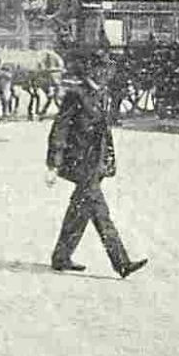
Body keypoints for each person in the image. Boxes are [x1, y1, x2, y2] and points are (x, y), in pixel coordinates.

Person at [45, 55, 147, 279]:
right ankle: (121, 262)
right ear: (93, 70)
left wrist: (108, 160)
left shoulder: (101, 93)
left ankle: (61, 257)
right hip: (81, 164)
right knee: (101, 213)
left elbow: (103, 132)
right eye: (104, 69)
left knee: (79, 211)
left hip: (95, 163)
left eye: (109, 70)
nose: (108, 74)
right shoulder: (76, 93)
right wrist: (54, 163)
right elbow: (60, 128)